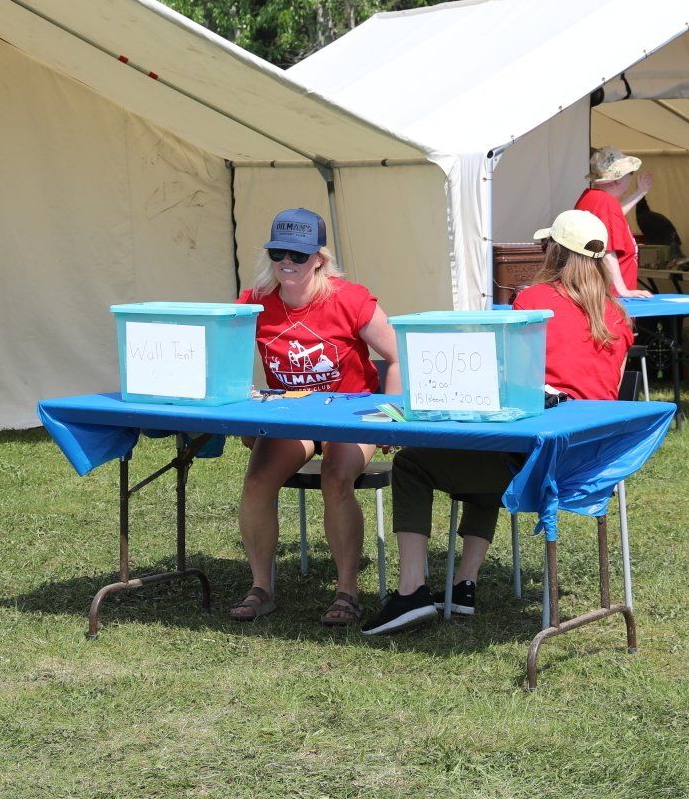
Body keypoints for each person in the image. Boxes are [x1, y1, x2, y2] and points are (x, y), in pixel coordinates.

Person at [361, 208, 635, 635]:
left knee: (414, 463)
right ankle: (463, 584)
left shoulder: (532, 303)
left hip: (536, 467)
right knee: (489, 452)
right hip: (593, 467)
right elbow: (608, 395)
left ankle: (411, 591)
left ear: (552, 252)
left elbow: (503, 384)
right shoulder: (619, 316)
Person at [229, 208, 400, 627]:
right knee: (256, 483)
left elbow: (398, 357)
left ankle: (347, 592)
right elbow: (223, 359)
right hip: (292, 418)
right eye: (279, 252)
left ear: (320, 259)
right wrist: (244, 410)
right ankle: (261, 588)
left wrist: (393, 419)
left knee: (336, 478)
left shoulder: (350, 298)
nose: (287, 262)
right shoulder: (253, 303)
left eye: (299, 255)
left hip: (350, 414)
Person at [575, 147, 652, 299]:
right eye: (630, 173)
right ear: (618, 179)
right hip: (613, 298)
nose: (630, 178)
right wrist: (623, 290)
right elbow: (607, 250)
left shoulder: (590, 198)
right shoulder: (607, 202)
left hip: (597, 294)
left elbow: (612, 218)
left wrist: (640, 192)